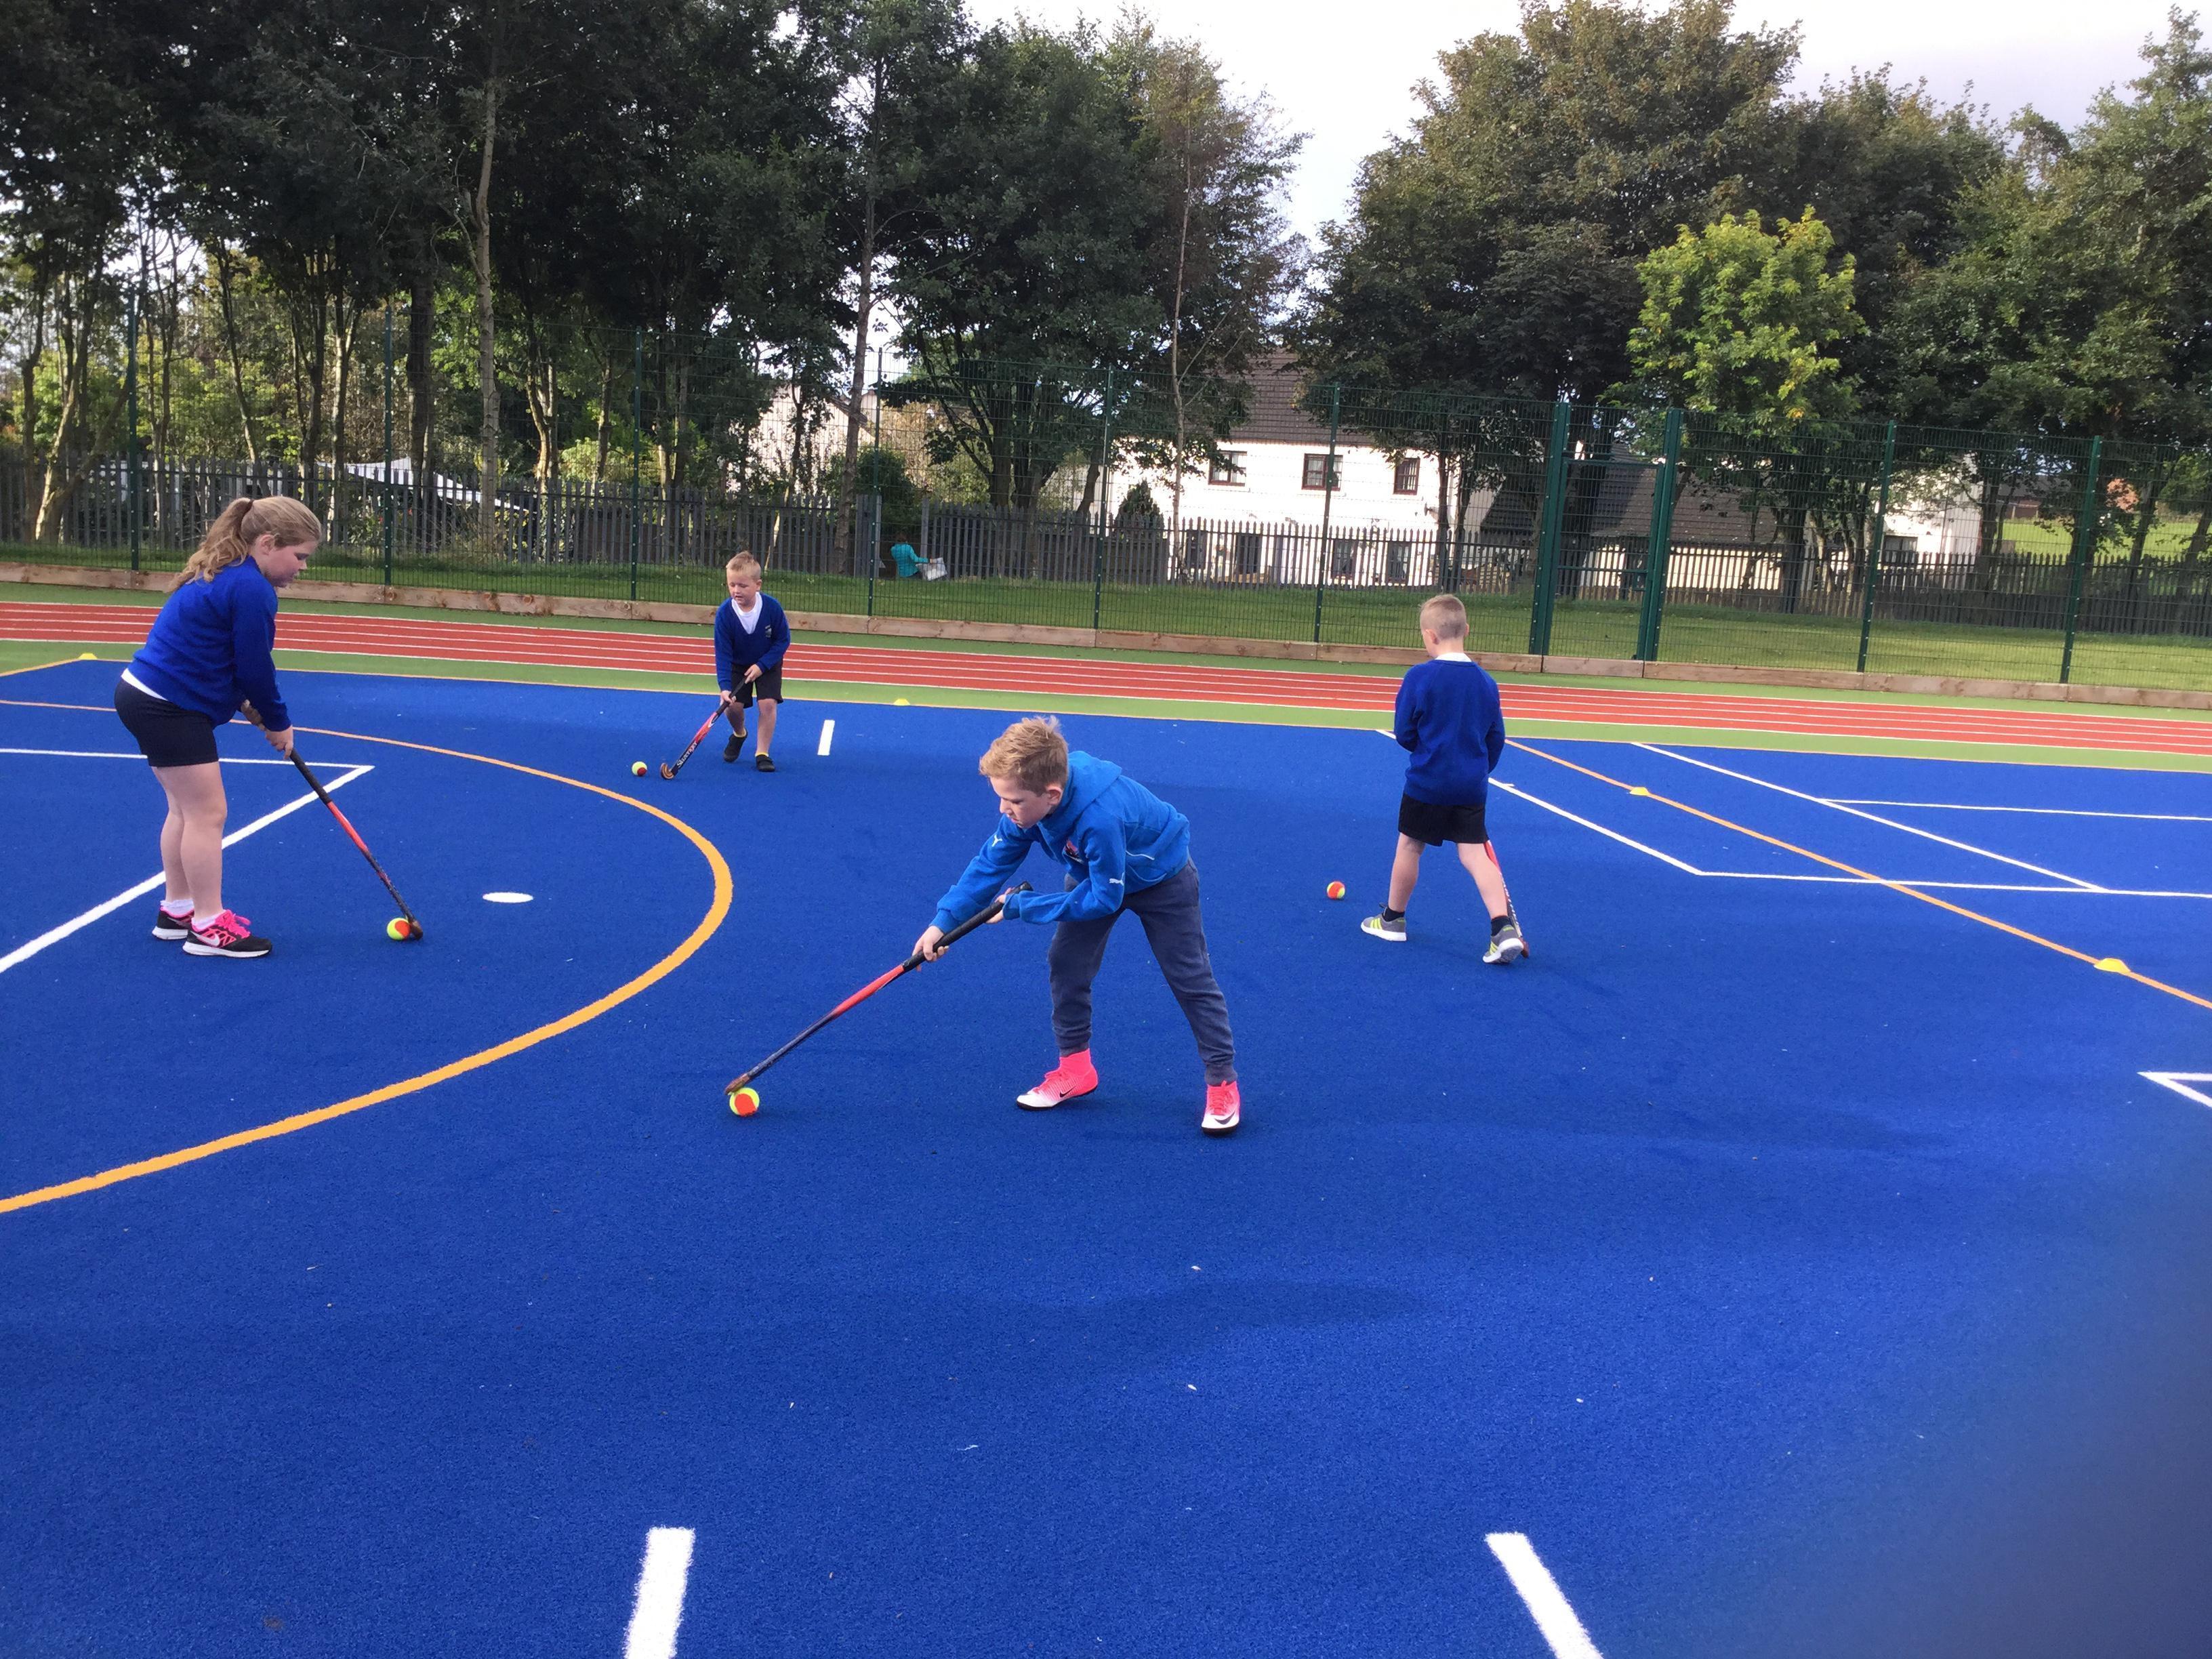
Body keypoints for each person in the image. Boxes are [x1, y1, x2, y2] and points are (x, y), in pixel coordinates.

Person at [914, 716, 1242, 1136]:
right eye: (1001, 798)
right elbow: (990, 864)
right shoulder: (1029, 805)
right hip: (1095, 873)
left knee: (1189, 977)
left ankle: (1222, 1082)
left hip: (1162, 879)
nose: (1003, 810)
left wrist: (1022, 906)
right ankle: (1076, 1069)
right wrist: (943, 923)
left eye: (1013, 801)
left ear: (1051, 795)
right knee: (1066, 963)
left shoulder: (1099, 818)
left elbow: (1105, 899)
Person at [112, 494, 321, 959]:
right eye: (300, 555)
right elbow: (255, 666)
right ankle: (208, 926)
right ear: (268, 543)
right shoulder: (252, 589)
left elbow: (210, 650)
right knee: (208, 814)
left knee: (185, 810)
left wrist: (239, 697)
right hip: (168, 706)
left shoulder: (226, 572)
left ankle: (179, 910)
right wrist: (278, 720)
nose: (303, 567)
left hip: (145, 695)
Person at [1361, 593, 1525, 962]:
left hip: (1428, 781)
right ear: (1466, 630)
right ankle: (1502, 928)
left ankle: (1393, 920)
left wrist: (1426, 751)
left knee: (1410, 845)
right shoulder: (1487, 683)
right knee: (1474, 854)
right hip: (1471, 785)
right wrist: (1478, 770)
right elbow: (1496, 738)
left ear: (1429, 635)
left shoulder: (1419, 677)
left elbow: (1404, 731)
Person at [712, 552, 790, 771]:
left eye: (742, 586)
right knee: (732, 707)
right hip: (738, 665)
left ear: (758, 585)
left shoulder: (772, 608)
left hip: (768, 663)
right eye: (732, 585)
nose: (736, 590)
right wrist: (725, 687)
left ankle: (762, 753)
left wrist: (762, 665)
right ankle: (739, 734)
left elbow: (783, 640)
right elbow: (723, 654)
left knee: (767, 704)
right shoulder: (725, 614)